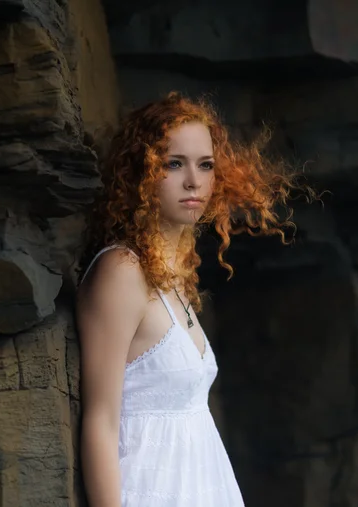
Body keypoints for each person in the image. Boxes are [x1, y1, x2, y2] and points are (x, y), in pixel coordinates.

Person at [75, 92, 312, 506]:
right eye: (174, 164)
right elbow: (100, 420)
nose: (193, 181)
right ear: (141, 171)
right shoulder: (121, 272)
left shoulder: (174, 276)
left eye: (205, 165)